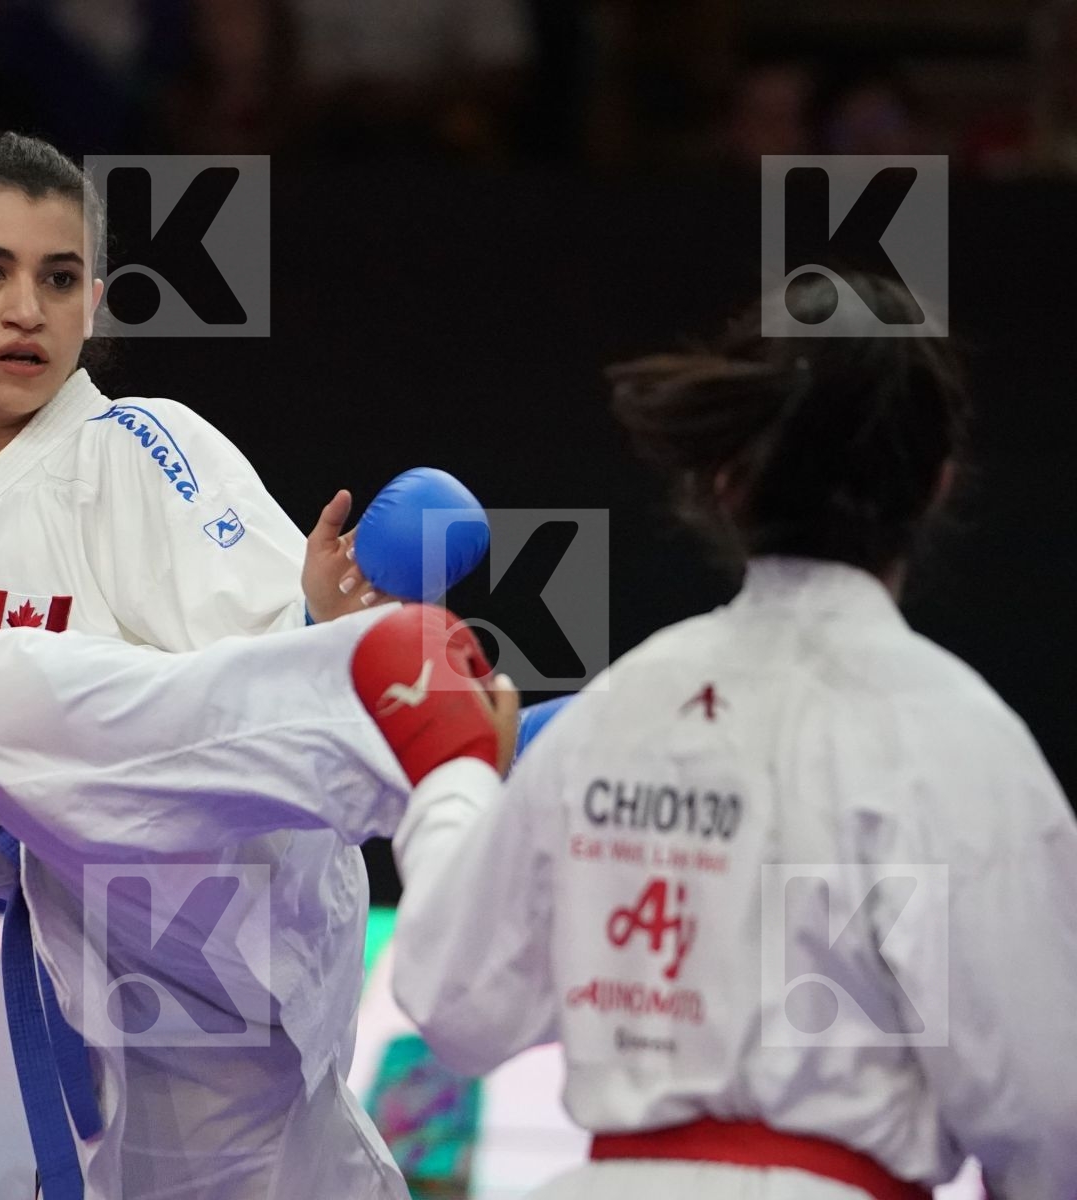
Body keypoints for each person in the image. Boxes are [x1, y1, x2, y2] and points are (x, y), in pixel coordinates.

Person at [0, 131, 402, 1198]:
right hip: (97, 1014)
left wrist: (318, 623)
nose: (26, 310)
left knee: (12, 698)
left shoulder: (139, 447)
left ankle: (453, 740)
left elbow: (266, 676)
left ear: (94, 300)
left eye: (59, 279)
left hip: (221, 954)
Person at [383, 272, 1077, 1197]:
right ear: (936, 484)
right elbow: (1045, 1118)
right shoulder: (961, 739)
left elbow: (456, 1004)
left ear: (726, 479)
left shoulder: (618, 710)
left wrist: (454, 775)